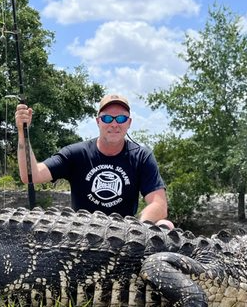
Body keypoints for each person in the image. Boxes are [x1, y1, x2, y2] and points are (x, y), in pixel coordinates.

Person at [15, 93, 174, 228]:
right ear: (98, 121)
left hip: (126, 235)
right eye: (107, 118)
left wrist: (136, 229)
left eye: (120, 118)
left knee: (166, 225)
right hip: (82, 232)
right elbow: (31, 175)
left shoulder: (142, 156)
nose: (114, 124)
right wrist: (23, 132)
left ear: (129, 123)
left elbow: (159, 205)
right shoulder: (76, 153)